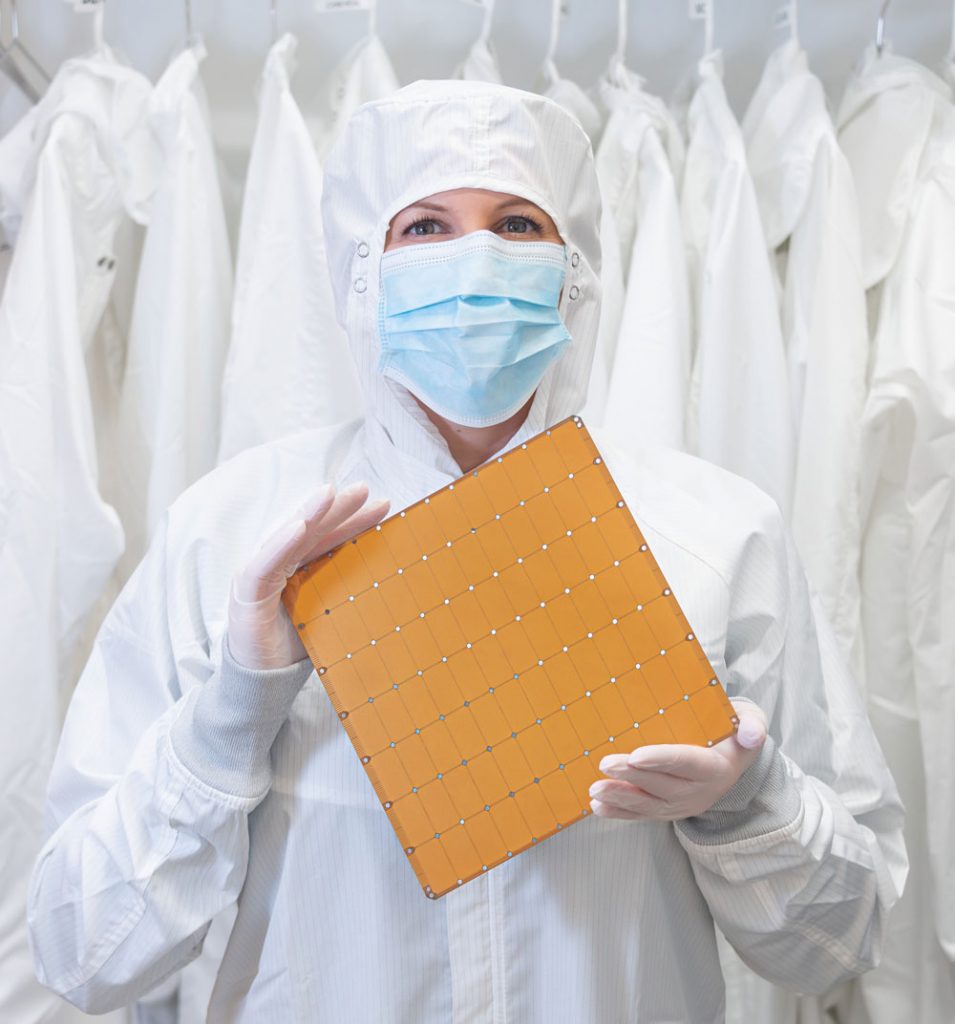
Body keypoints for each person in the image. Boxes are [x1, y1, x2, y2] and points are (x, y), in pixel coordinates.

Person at [28, 80, 906, 1023]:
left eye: (518, 224)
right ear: (363, 267)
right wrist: (229, 716)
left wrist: (746, 799)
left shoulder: (714, 534)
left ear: (574, 266)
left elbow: (838, 945)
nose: (476, 256)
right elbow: (85, 954)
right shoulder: (231, 538)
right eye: (426, 227)